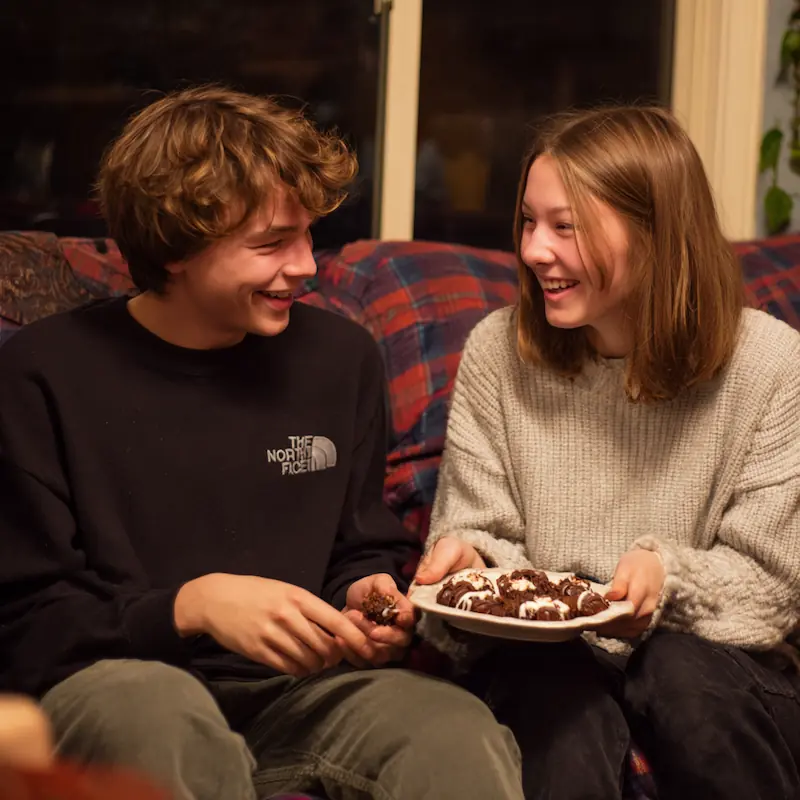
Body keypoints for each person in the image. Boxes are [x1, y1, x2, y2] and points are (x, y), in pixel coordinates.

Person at [0, 85, 524, 800]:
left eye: (309, 234)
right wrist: (192, 606)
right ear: (175, 247)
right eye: (272, 243)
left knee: (451, 730)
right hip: (118, 687)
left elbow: (358, 544)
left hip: (302, 695)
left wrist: (367, 596)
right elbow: (28, 626)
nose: (307, 266)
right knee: (161, 716)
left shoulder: (340, 359)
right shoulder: (44, 372)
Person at [414, 105, 800, 800]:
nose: (534, 250)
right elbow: (477, 531)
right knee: (553, 695)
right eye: (529, 223)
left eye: (566, 227)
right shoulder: (498, 353)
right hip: (546, 656)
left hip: (714, 657)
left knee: (681, 671)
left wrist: (665, 577)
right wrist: (466, 562)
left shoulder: (772, 365)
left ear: (658, 234)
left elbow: (772, 585)